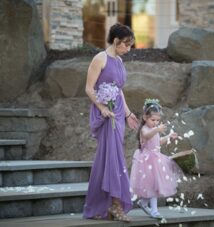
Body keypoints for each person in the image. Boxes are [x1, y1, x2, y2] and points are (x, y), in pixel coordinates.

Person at [83, 23, 139, 222]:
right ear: (116, 41)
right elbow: (89, 88)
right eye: (126, 44)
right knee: (113, 158)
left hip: (118, 114)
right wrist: (102, 108)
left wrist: (128, 113)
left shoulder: (119, 60)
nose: (128, 49)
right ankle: (115, 205)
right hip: (106, 115)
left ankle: (103, 205)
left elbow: (118, 90)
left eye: (130, 45)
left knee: (109, 158)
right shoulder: (100, 59)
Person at [130, 100, 191, 219]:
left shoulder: (154, 129)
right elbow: (147, 136)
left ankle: (143, 203)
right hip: (147, 160)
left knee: (154, 185)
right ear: (145, 118)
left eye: (157, 120)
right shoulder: (144, 129)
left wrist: (169, 136)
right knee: (152, 186)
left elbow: (158, 141)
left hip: (157, 159)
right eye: (153, 120)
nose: (155, 122)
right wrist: (157, 129)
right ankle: (154, 210)